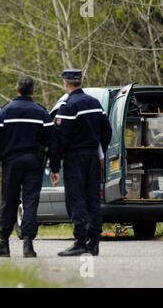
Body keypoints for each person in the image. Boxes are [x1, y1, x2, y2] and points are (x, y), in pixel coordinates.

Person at [0, 76, 59, 258]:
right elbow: (52, 143)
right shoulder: (41, 113)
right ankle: (28, 245)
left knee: (9, 201)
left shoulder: (4, 112)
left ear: (17, 89)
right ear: (33, 91)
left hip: (11, 162)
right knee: (30, 202)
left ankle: (3, 243)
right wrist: (55, 168)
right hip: (33, 163)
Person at [52, 69, 112, 257]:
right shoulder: (95, 103)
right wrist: (99, 150)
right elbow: (107, 131)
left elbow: (63, 137)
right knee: (93, 199)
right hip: (93, 157)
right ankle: (94, 242)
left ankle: (80, 241)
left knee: (76, 198)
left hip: (75, 158)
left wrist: (56, 161)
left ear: (66, 83)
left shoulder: (68, 106)